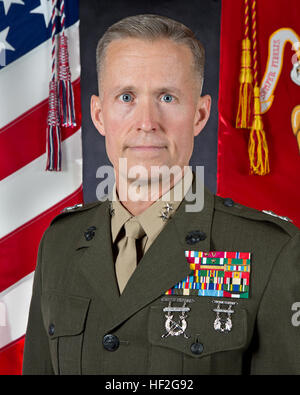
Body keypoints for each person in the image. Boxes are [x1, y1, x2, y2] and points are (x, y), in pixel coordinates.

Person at [22, 14, 300, 375]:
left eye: (167, 97)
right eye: (126, 97)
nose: (147, 122)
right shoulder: (59, 243)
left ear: (200, 115)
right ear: (99, 114)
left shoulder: (269, 250)